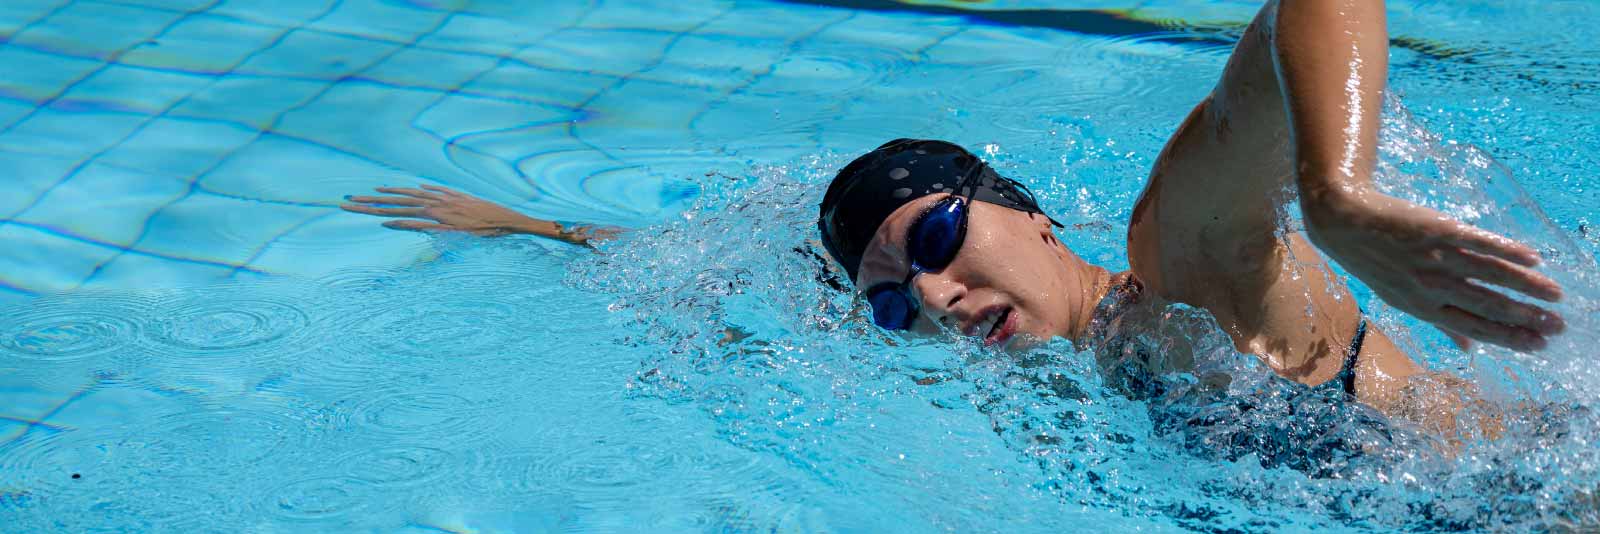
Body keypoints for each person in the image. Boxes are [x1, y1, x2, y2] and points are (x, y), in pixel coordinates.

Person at [341, 0, 1565, 431]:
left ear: (1024, 214)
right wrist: (537, 230)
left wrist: (1338, 197)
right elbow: (764, 262)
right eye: (892, 302)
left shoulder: (1181, 270)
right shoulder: (1069, 365)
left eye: (932, 243)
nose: (926, 299)